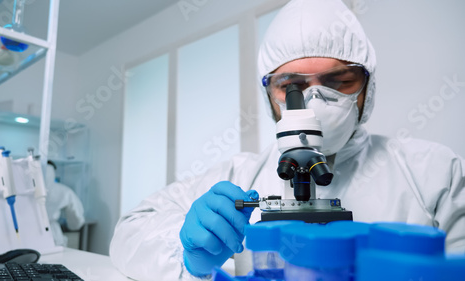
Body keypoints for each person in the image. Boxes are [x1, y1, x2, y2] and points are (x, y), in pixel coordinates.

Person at [110, 0, 465, 279]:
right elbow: (129, 231)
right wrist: (187, 257)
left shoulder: (432, 173)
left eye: (339, 81)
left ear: (367, 88)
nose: (315, 102)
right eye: (291, 87)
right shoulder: (240, 176)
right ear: (271, 96)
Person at [45, 160, 85, 247]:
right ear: (53, 172)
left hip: (29, 234)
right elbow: (77, 218)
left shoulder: (26, 190)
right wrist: (72, 225)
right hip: (53, 234)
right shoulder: (63, 190)